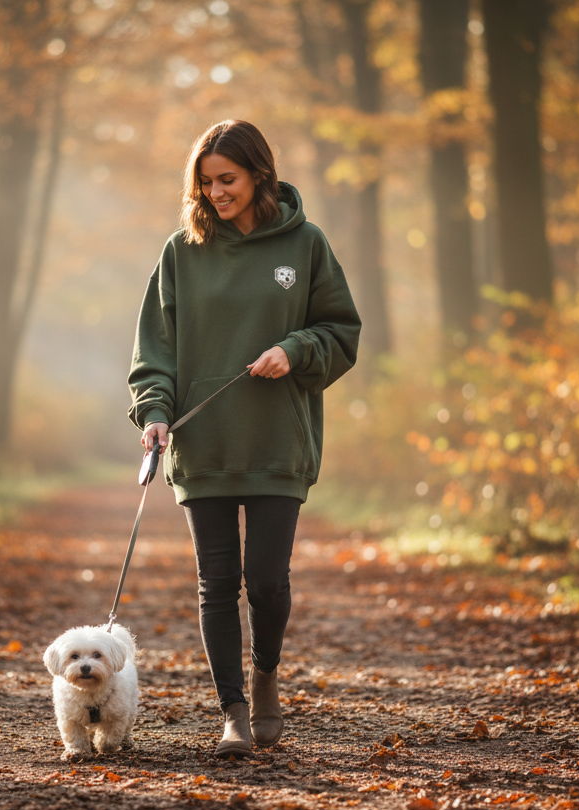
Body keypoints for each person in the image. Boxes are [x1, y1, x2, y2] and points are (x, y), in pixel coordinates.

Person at [128, 120, 361, 758]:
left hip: (277, 442)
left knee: (267, 581)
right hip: (201, 445)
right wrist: (154, 412)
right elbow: (154, 350)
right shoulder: (182, 252)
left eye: (227, 179)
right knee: (217, 584)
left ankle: (264, 679)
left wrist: (296, 349)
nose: (216, 193)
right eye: (205, 183)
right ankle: (232, 711)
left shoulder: (306, 244)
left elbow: (341, 331)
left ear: (260, 174)